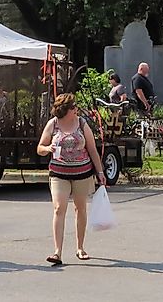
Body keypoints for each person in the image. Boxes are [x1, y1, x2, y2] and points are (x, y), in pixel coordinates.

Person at [37, 93, 105, 266]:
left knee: (80, 209)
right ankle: (57, 252)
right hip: (58, 173)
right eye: (74, 107)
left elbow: (92, 149)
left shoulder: (82, 124)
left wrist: (100, 172)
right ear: (66, 109)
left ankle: (80, 247)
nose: (76, 109)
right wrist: (48, 148)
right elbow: (39, 148)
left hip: (82, 172)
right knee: (59, 208)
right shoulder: (53, 124)